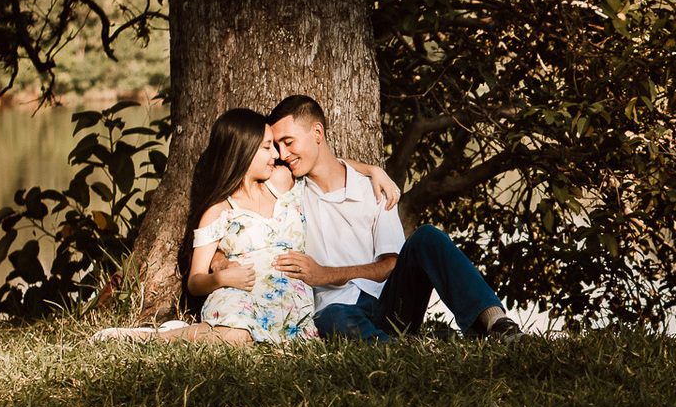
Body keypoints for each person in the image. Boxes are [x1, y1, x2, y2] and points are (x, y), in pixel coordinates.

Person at [93, 107, 394, 344]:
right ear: (244, 151)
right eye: (267, 147)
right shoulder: (218, 211)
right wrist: (223, 277)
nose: (277, 154)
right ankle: (151, 337)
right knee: (238, 337)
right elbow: (195, 281)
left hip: (294, 306)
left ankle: (191, 331)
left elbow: (320, 162)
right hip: (241, 297)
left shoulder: (282, 181)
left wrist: (371, 170)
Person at [266, 95, 523, 343]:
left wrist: (326, 274)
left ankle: (497, 323)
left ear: (317, 133)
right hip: (339, 313)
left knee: (428, 237)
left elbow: (391, 264)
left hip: (389, 306)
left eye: (288, 142)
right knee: (333, 318)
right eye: (277, 145)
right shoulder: (291, 190)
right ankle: (415, 347)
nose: (282, 153)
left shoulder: (374, 189)